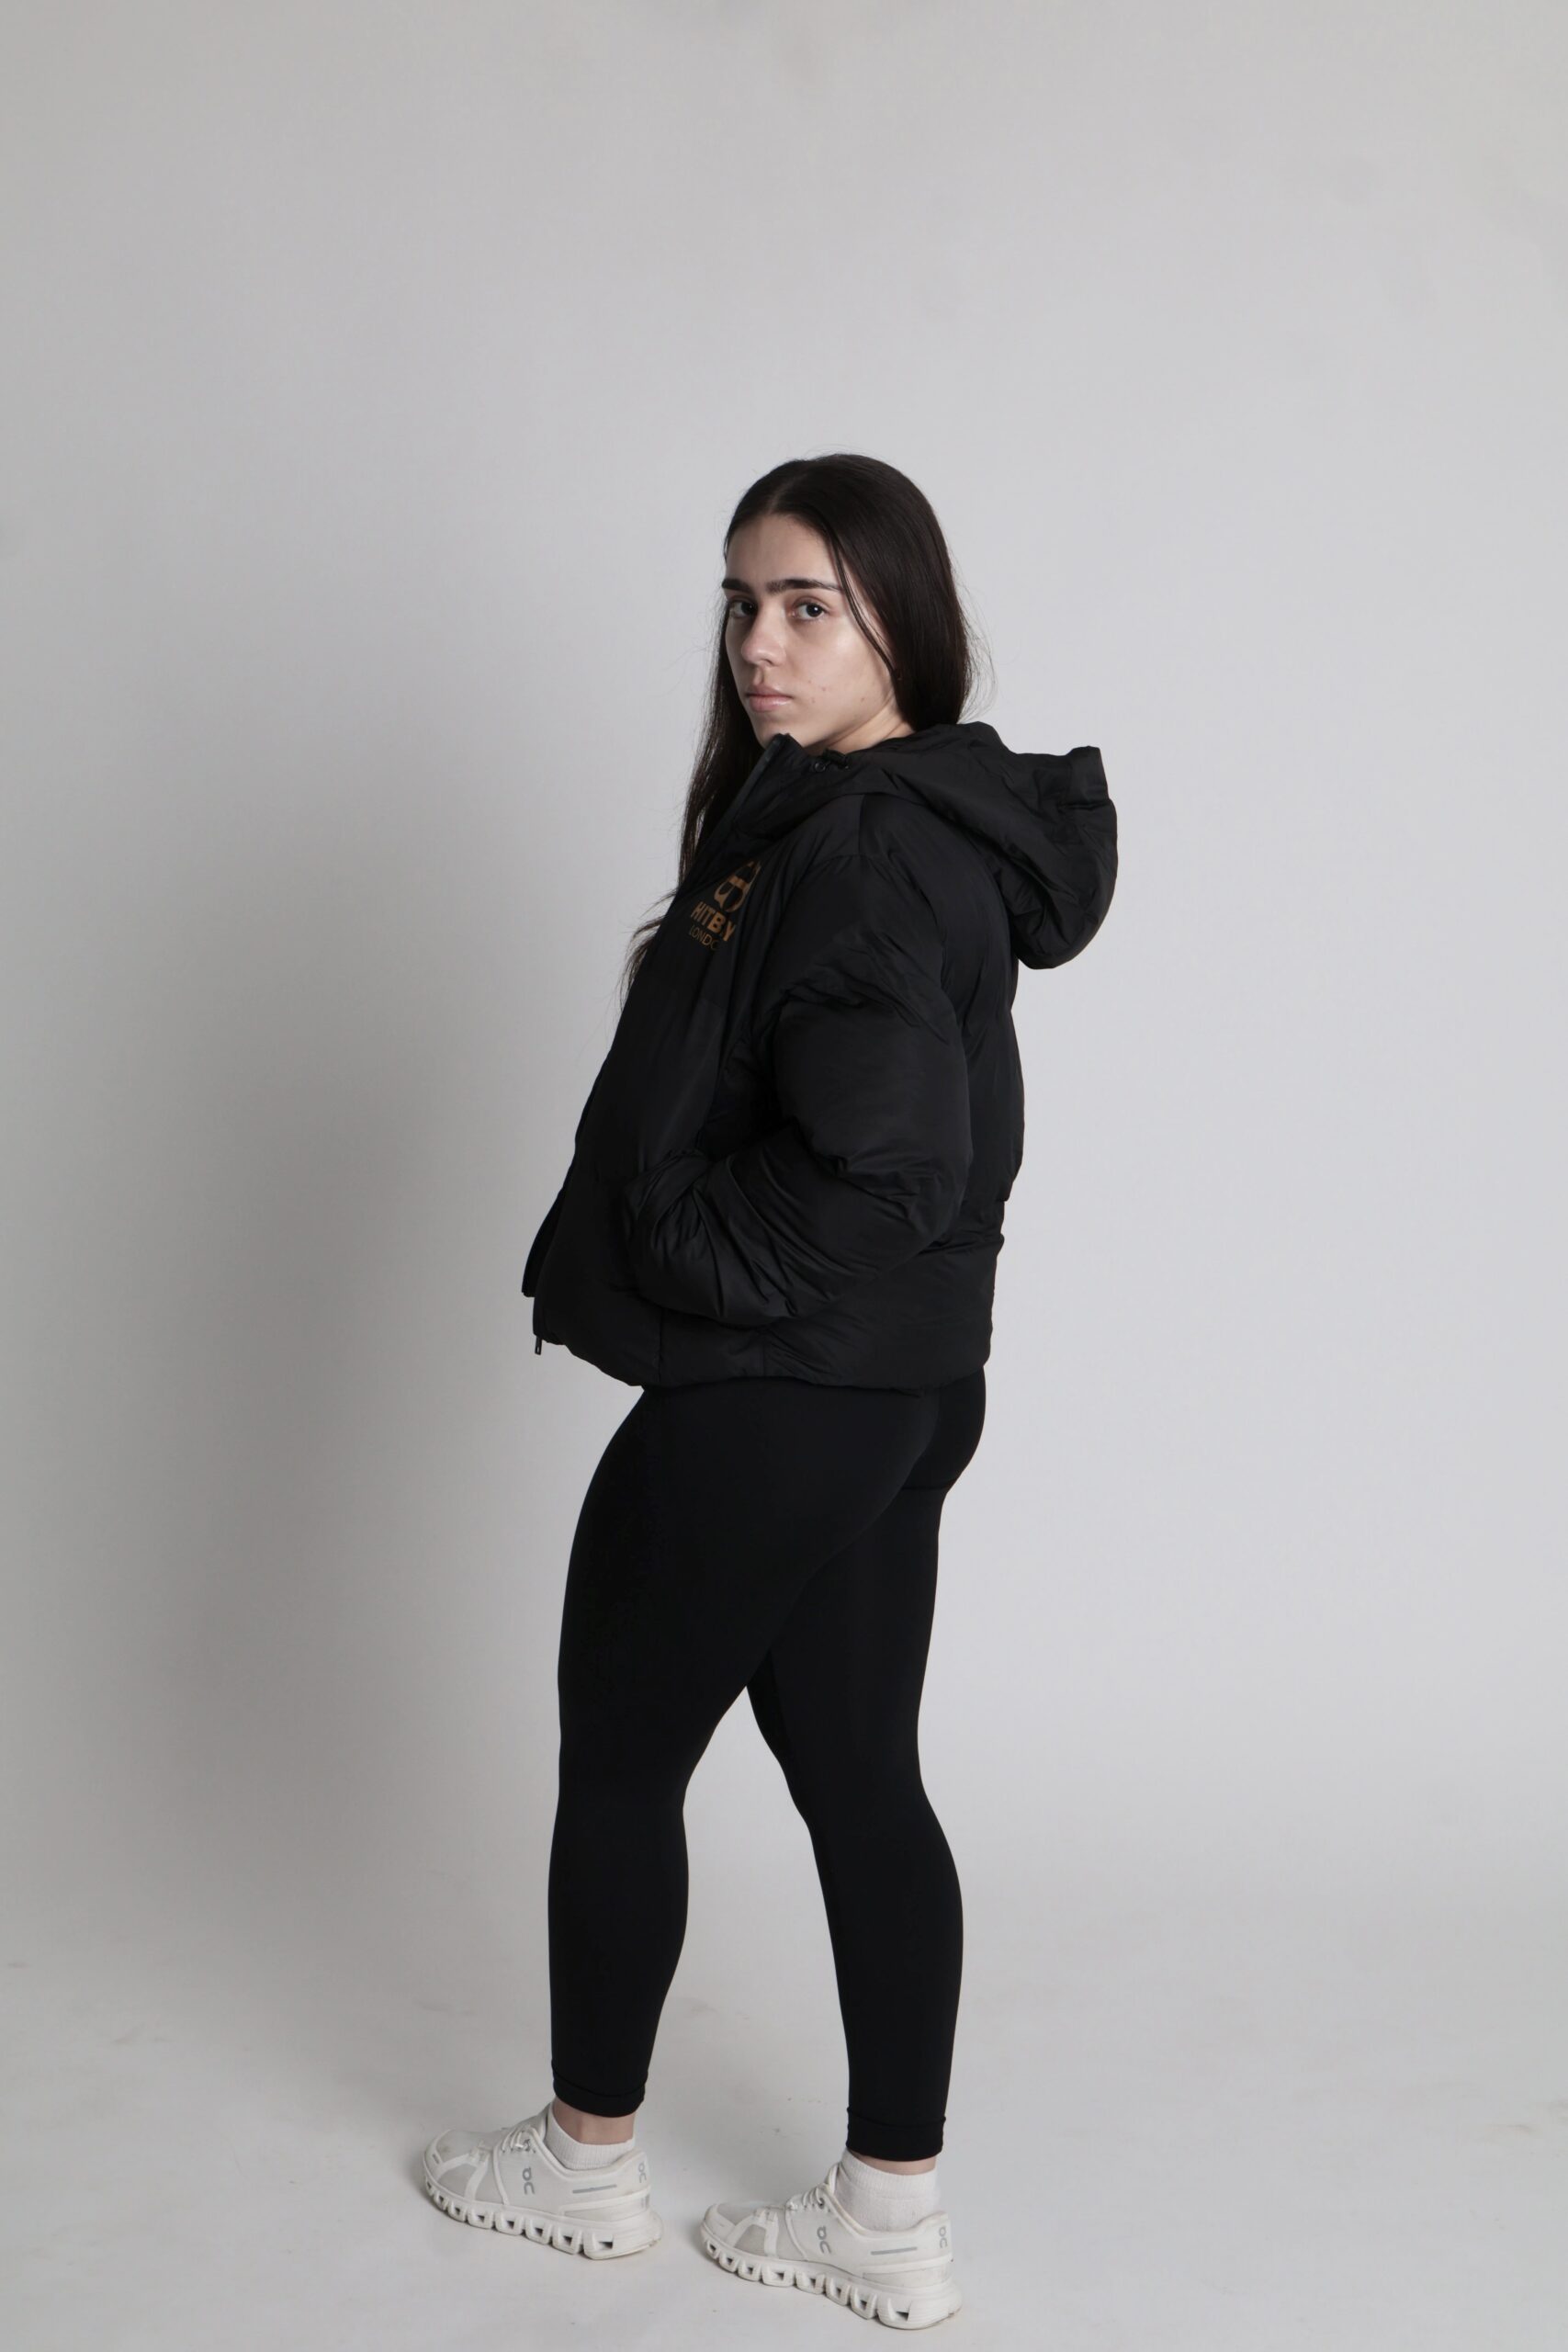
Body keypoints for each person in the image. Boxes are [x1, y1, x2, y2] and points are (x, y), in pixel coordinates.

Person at [423, 453, 1118, 2328]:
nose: (759, 641)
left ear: (902, 623)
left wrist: (670, 1241)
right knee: (863, 1778)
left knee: (618, 1762)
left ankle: (581, 2164)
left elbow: (884, 1169)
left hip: (788, 1397)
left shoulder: (862, 846)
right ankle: (885, 2218)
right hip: (899, 1390)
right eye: (741, 602)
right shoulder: (886, 820)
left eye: (809, 604)